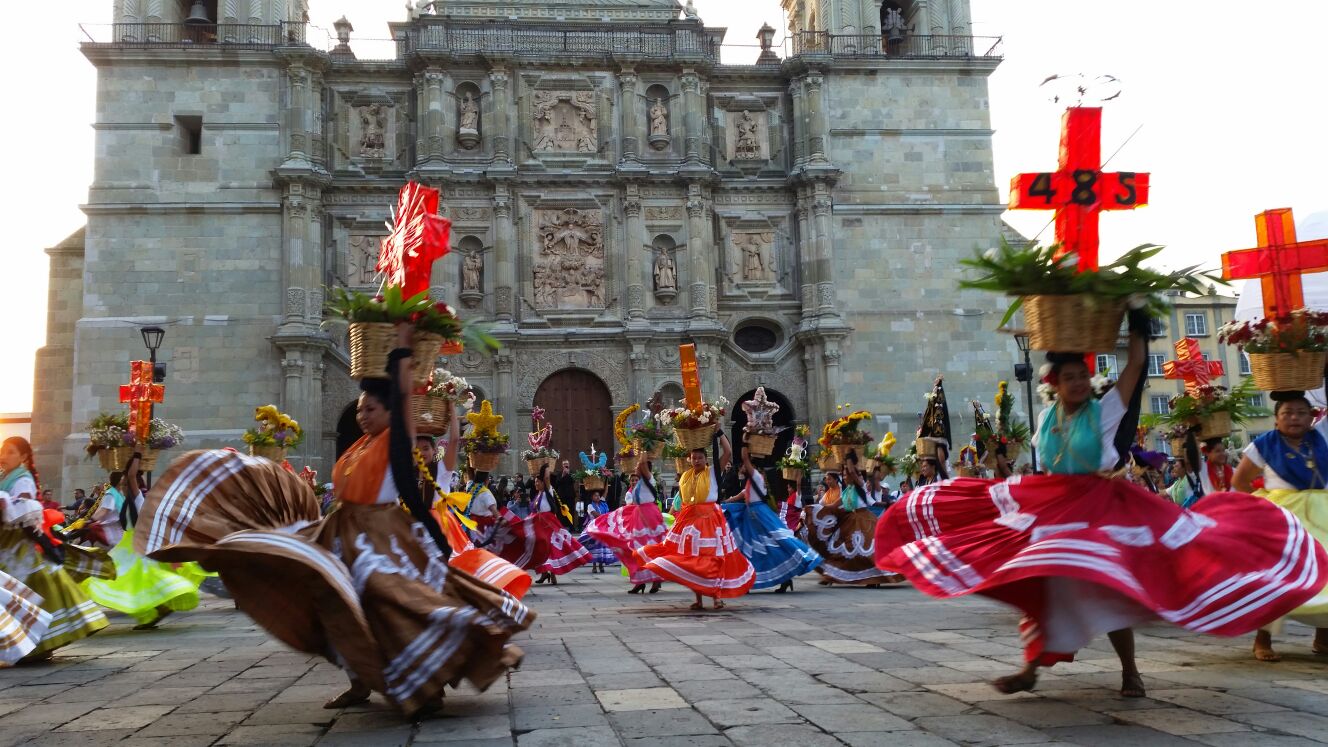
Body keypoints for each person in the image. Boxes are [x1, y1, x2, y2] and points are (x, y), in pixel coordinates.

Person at [875, 316, 1328, 699]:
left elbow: (1133, 367)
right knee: (1044, 576)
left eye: (1080, 377)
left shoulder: (1106, 409)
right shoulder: (1046, 418)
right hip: (1053, 502)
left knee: (1110, 581)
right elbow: (1045, 462)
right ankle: (1031, 667)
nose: (1075, 383)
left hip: (1104, 504)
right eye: (1068, 377)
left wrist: (1137, 326)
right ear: (1055, 382)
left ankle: (1131, 671)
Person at [136, 325, 533, 717]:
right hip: (343, 531)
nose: (362, 416)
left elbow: (411, 493)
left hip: (380, 536)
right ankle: (360, 680)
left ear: (391, 411)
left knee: (388, 603)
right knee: (336, 605)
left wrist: (402, 348)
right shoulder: (361, 444)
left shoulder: (396, 438)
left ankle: (425, 680)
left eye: (370, 409)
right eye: (359, 409)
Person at [1232, 390, 1328, 662]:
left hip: (1323, 513)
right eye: (1287, 413)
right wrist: (1260, 510)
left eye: (1301, 413)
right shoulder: (1263, 444)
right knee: (1278, 577)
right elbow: (1241, 482)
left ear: (1312, 417)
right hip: (1285, 519)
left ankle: (1323, 637)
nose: (1294, 418)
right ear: (1276, 420)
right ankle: (1263, 638)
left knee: (1325, 574)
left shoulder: (1322, 435)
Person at [0, 436, 108, 660]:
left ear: (23, 457)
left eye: (10, 452)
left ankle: (37, 642)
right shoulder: (6, 478)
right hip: (8, 547)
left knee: (27, 593)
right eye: (3, 450)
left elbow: (26, 512)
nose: (4, 455)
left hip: (20, 549)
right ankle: (25, 643)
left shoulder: (22, 479)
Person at [635, 434, 754, 610]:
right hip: (689, 520)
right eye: (694, 458)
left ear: (706, 459)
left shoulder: (713, 471)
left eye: (700, 457)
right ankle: (698, 598)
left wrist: (720, 434)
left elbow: (728, 452)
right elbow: (683, 501)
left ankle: (717, 597)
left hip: (710, 520)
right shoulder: (685, 476)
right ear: (689, 459)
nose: (696, 460)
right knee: (691, 559)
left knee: (714, 558)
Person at [82, 455, 203, 629]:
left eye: (126, 485)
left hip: (139, 545)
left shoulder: (138, 498)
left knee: (142, 579)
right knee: (127, 579)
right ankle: (154, 612)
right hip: (128, 544)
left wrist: (137, 450)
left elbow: (131, 476)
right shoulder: (127, 502)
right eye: (123, 485)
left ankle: (154, 612)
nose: (123, 487)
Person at [721, 447, 821, 593]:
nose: (741, 467)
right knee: (756, 548)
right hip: (752, 516)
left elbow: (746, 461)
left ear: (752, 467)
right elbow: (738, 497)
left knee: (771, 546)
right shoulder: (751, 481)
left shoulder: (755, 476)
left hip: (759, 515)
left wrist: (745, 448)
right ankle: (754, 579)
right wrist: (723, 504)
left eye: (743, 466)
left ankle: (779, 577)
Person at [801, 455, 901, 588]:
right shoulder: (846, 491)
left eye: (846, 475)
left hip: (864, 520)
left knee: (868, 551)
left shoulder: (861, 487)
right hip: (849, 521)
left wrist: (848, 458)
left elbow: (854, 474)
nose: (844, 477)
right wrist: (813, 509)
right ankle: (832, 575)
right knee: (836, 549)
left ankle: (874, 578)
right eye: (843, 475)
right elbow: (832, 506)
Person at [488, 465, 589, 585]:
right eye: (535, 482)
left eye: (538, 482)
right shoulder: (538, 496)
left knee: (549, 548)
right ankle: (545, 572)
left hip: (548, 525)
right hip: (539, 524)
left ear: (543, 482)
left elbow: (547, 478)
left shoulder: (548, 491)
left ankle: (549, 572)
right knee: (539, 547)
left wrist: (545, 466)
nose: (536, 484)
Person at [584, 457, 667, 594]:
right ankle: (640, 581)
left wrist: (641, 449)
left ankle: (655, 580)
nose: (635, 469)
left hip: (649, 516)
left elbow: (643, 464)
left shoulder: (649, 479)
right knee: (635, 550)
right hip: (639, 517)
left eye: (638, 467)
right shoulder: (638, 485)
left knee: (650, 549)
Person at [581, 490, 616, 573]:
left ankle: (601, 565)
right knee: (594, 546)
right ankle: (594, 566)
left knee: (602, 546)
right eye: (595, 495)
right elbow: (596, 515)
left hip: (602, 527)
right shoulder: (590, 506)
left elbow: (606, 492)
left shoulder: (603, 504)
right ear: (592, 497)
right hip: (594, 527)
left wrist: (607, 478)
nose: (597, 497)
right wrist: (607, 516)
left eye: (598, 495)